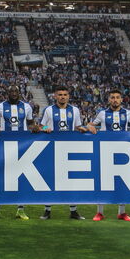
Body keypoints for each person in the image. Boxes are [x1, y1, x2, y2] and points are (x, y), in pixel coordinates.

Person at [39, 85, 91, 221]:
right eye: (60, 94)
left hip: (69, 149)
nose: (62, 97)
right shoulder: (49, 110)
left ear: (68, 96)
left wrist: (83, 129)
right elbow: (40, 126)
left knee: (71, 180)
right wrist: (46, 128)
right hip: (52, 149)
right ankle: (47, 210)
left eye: (65, 94)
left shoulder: (74, 110)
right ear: (55, 96)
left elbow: (77, 126)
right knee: (50, 179)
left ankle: (73, 211)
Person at [91, 89, 130, 221]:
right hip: (105, 152)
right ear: (109, 99)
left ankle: (122, 212)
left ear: (121, 99)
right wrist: (90, 126)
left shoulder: (127, 113)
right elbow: (91, 124)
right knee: (103, 182)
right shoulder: (102, 113)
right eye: (112, 97)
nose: (115, 100)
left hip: (122, 152)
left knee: (121, 183)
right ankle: (99, 212)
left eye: (117, 97)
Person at [0, 85, 35, 220]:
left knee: (20, 179)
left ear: (19, 93)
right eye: (11, 91)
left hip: (21, 147)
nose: (14, 93)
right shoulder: (0, 107)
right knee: (0, 178)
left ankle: (20, 209)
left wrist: (41, 127)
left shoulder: (27, 107)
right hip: (3, 146)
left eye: (16, 91)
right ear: (7, 93)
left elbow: (31, 124)